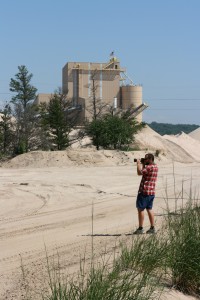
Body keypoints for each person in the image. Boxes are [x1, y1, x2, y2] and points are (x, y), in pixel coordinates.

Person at [133, 153, 158, 234]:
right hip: (151, 192)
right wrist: (144, 164)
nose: (145, 160)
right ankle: (152, 228)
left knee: (140, 209)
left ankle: (140, 229)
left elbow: (139, 173)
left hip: (144, 191)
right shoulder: (155, 166)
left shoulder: (149, 167)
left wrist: (138, 164)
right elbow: (145, 173)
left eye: (146, 159)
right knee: (149, 209)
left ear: (150, 159)